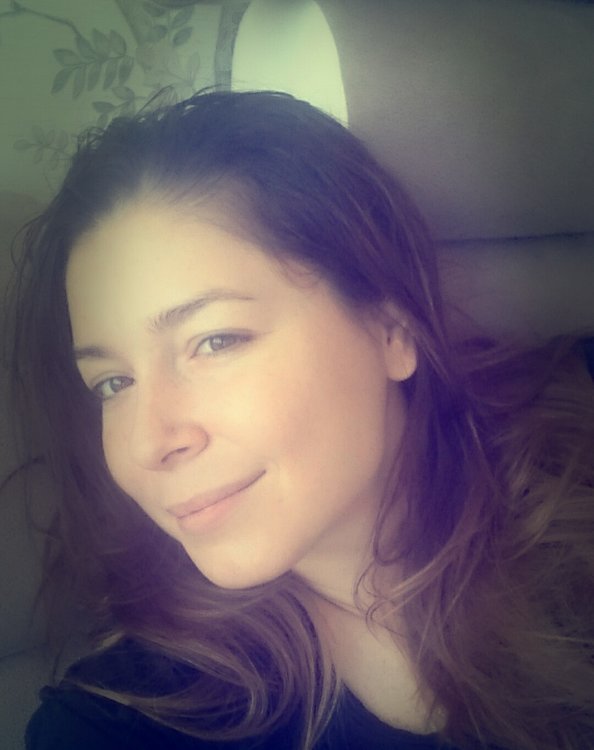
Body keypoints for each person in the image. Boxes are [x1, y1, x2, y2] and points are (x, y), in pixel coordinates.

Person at [8, 89, 594, 750]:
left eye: (215, 341)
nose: (147, 443)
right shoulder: (117, 723)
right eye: (112, 383)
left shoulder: (575, 434)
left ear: (392, 328)